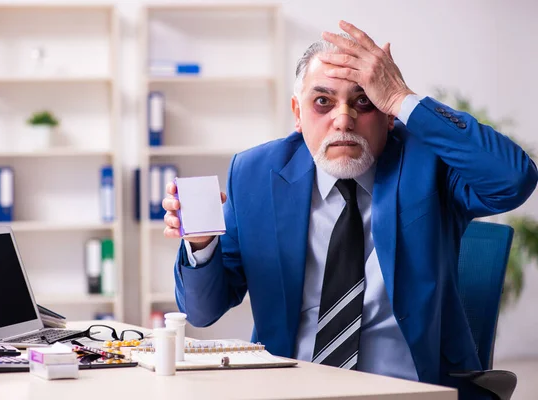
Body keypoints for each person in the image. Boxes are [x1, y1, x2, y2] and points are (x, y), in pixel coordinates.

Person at [161, 20, 537, 398]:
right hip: (290, 389)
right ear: (297, 112)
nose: (343, 119)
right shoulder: (256, 174)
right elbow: (201, 312)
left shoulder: (428, 165)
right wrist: (202, 243)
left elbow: (514, 179)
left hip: (410, 391)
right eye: (322, 101)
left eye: (364, 102)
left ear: (389, 115)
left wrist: (404, 99)